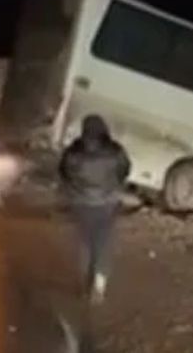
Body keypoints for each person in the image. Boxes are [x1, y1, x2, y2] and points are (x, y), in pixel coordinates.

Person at [59, 114, 131, 304]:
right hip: (108, 203)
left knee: (85, 242)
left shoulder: (74, 152)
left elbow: (64, 171)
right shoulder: (115, 151)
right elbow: (125, 170)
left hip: (81, 203)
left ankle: (85, 282)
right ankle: (99, 283)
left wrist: (75, 189)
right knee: (103, 242)